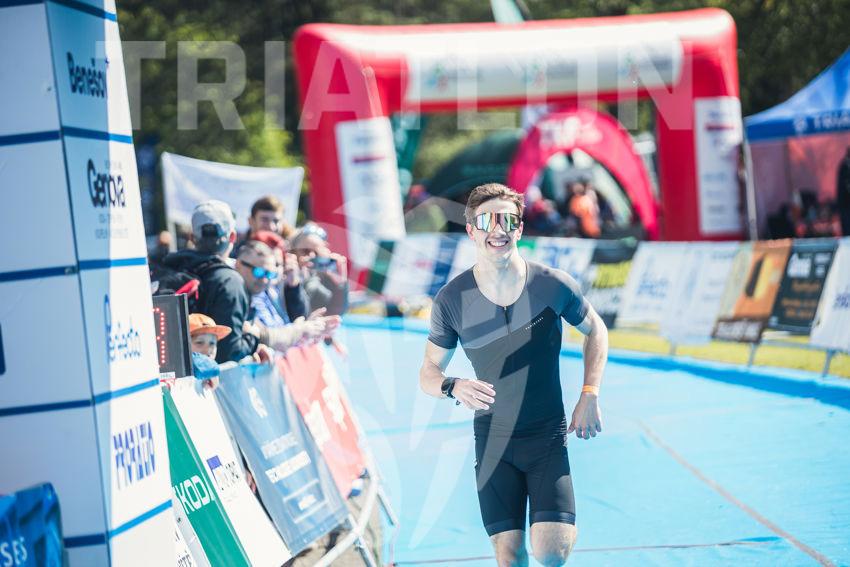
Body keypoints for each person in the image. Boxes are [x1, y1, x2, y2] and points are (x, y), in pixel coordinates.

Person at [419, 183, 608, 567]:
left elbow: (596, 330)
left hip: (546, 438)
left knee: (550, 553)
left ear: (519, 228)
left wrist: (590, 391)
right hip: (494, 443)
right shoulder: (452, 300)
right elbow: (428, 371)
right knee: (509, 555)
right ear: (471, 231)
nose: (497, 229)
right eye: (485, 221)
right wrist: (453, 385)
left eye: (506, 220)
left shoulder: (551, 284)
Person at [161, 200, 270, 364]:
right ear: (232, 236)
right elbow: (229, 354)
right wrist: (252, 337)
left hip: (166, 372)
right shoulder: (230, 282)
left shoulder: (168, 268)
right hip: (210, 378)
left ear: (192, 237)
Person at [236, 240, 340, 353]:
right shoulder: (236, 292)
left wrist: (306, 327)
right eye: (259, 272)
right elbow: (262, 335)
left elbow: (274, 330)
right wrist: (300, 330)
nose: (265, 280)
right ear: (238, 265)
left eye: (270, 273)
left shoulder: (264, 291)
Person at [290, 223, 349, 316]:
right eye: (305, 251)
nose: (311, 256)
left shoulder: (322, 277)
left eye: (317, 252)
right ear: (293, 251)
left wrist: (340, 285)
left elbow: (334, 313)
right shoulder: (284, 275)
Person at [837, 147, 850, 236]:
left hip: (846, 202)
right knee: (847, 226)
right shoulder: (845, 165)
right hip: (845, 203)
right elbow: (845, 185)